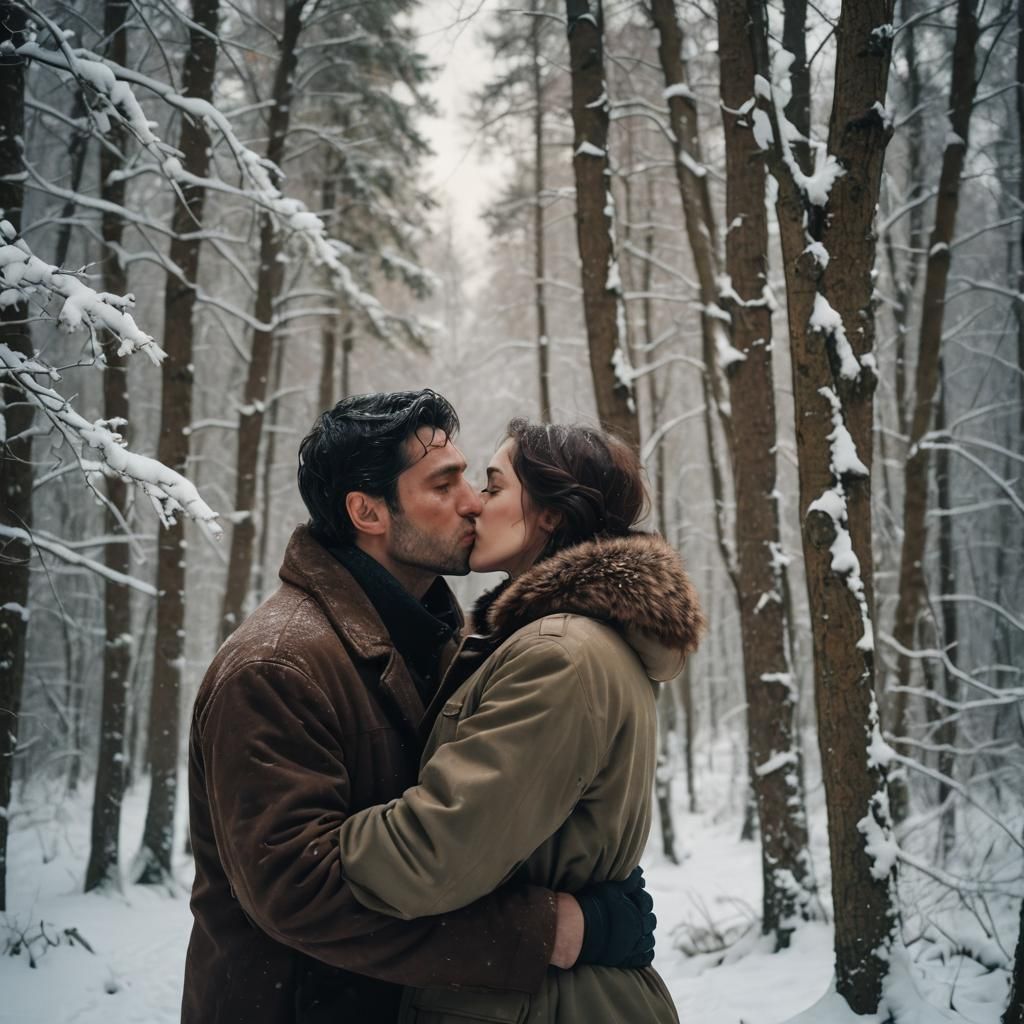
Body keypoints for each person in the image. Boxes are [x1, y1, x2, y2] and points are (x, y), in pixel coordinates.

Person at [182, 392, 657, 1024]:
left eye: (475, 478)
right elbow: (298, 891)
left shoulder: (457, 642)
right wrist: (557, 929)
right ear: (367, 511)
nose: (470, 501)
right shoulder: (276, 665)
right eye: (445, 483)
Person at [336, 418, 705, 1023]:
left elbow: (428, 860)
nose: (475, 507)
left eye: (493, 486)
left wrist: (306, 850)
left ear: (551, 516)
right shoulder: (557, 643)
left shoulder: (559, 655)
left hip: (544, 1005)